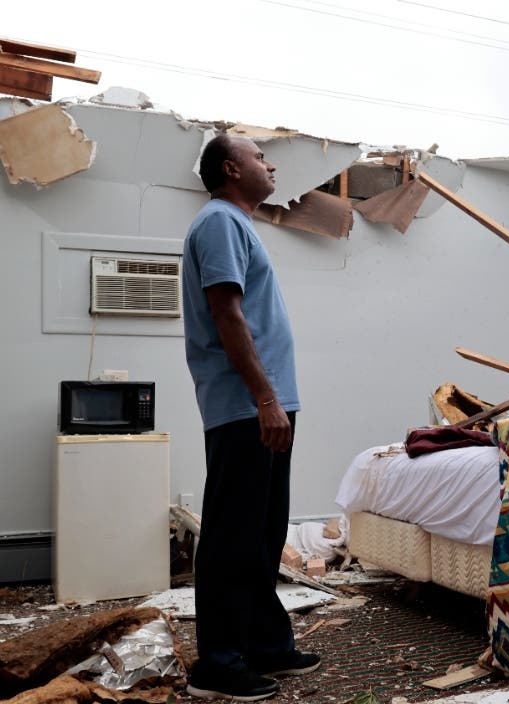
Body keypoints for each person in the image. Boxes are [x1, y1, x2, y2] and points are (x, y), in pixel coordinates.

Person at [182, 134, 320, 701]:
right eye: (260, 157)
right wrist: (264, 398)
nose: (271, 164)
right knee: (232, 536)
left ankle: (265, 645)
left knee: (263, 533)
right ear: (232, 169)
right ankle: (217, 664)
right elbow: (226, 313)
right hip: (246, 406)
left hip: (265, 403)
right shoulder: (219, 222)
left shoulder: (236, 224)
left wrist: (274, 399)